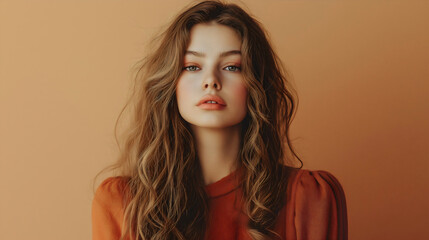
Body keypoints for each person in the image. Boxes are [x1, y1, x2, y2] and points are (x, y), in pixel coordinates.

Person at [91, 1, 348, 239]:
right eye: (192, 66)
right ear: (169, 83)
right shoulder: (121, 203)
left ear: (257, 84)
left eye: (232, 66)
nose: (211, 80)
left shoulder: (308, 198)